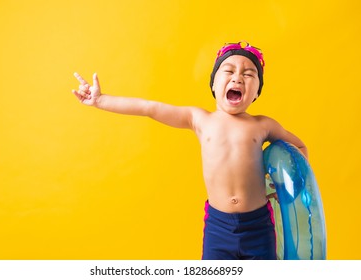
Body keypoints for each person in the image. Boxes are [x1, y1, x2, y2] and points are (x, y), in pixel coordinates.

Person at [71, 41, 308, 260]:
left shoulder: (263, 125)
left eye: (248, 74)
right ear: (214, 84)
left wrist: (288, 186)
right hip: (219, 226)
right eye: (228, 71)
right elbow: (149, 108)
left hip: (258, 225)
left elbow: (300, 148)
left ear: (257, 92)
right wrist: (101, 100)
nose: (238, 78)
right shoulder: (199, 119)